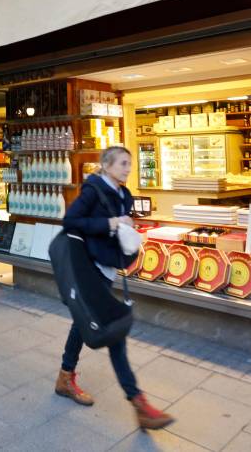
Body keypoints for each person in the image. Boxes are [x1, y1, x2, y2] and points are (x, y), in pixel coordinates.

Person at [56, 146, 174, 430]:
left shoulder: (124, 194)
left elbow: (117, 228)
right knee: (115, 331)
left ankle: (64, 376)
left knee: (82, 323)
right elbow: (71, 221)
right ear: (106, 165)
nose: (127, 168)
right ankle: (139, 403)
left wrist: (127, 229)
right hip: (90, 269)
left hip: (108, 269)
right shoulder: (93, 191)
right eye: (122, 163)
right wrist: (110, 223)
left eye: (129, 164)